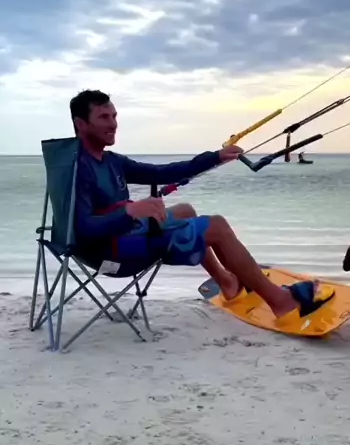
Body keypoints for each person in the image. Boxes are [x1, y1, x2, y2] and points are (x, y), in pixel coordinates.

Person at [70, 89, 328, 319]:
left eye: (114, 116)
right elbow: (83, 229)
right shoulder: (77, 169)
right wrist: (130, 212)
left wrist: (214, 158)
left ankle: (227, 283)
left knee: (186, 211)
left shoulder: (111, 161)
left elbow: (161, 172)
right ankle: (280, 301)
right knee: (217, 226)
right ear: (81, 124)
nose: (113, 124)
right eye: (104, 117)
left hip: (122, 236)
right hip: (112, 253)